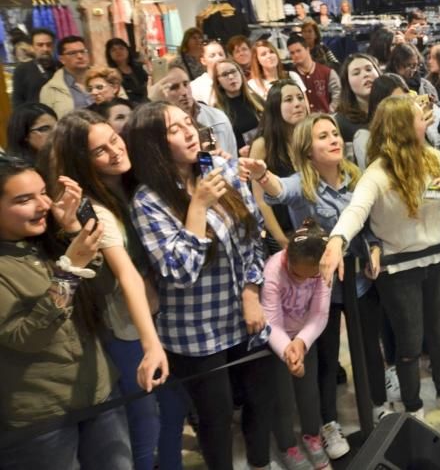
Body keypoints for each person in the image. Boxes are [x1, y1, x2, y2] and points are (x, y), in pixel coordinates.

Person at [126, 102, 274, 470]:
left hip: (244, 313)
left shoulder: (219, 167)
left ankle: (262, 463)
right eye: (174, 129)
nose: (190, 131)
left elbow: (255, 233)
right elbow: (180, 272)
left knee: (261, 398)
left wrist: (252, 290)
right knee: (216, 417)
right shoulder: (148, 200)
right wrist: (198, 207)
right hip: (195, 330)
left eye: (188, 122)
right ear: (154, 144)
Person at [323, 96, 440, 423]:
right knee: (409, 343)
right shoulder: (378, 172)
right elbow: (356, 210)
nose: (426, 118)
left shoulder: (433, 157)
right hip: (398, 269)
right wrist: (336, 240)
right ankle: (412, 406)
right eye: (418, 116)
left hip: (436, 260)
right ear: (401, 125)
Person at [40, 111, 174, 470]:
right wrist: (150, 344)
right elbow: (126, 274)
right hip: (127, 329)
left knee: (162, 417)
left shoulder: (126, 186)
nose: (115, 151)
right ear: (84, 162)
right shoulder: (96, 209)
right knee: (144, 422)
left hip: (149, 319)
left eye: (114, 139)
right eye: (100, 150)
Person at [250, 115, 390, 457]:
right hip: (321, 289)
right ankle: (328, 424)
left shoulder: (356, 179)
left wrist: (374, 249)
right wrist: (263, 175)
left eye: (335, 133)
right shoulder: (303, 185)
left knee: (369, 347)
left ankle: (379, 406)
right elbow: (279, 191)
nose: (334, 139)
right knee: (328, 360)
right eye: (323, 136)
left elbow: (367, 226)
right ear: (307, 150)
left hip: (359, 283)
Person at [0, 157, 132, 470]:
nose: (43, 204)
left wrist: (72, 229)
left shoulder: (47, 240)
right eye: (24, 199)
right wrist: (68, 272)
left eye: (44, 193)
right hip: (41, 412)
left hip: (99, 391)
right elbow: (26, 338)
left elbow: (103, 286)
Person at [259, 220, 336, 469]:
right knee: (281, 396)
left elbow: (319, 314)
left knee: (308, 391)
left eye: (310, 276)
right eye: (296, 274)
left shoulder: (323, 269)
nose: (302, 281)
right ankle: (286, 446)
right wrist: (286, 350)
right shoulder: (273, 270)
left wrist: (302, 342)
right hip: (275, 340)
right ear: (288, 260)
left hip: (305, 336)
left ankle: (312, 437)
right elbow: (270, 321)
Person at [250, 81, 309, 252]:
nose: (297, 103)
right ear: (276, 107)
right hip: (283, 232)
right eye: (288, 99)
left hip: (313, 227)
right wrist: (282, 240)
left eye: (300, 98)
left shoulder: (309, 138)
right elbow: (260, 201)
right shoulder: (263, 145)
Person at [148, 62, 238, 159]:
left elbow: (233, 161)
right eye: (174, 87)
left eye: (186, 84)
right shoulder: (155, 129)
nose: (184, 92)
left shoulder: (217, 117)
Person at [334, 53, 381, 162]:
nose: (365, 75)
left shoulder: (393, 109)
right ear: (347, 83)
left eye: (369, 69)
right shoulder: (340, 122)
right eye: (356, 73)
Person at [212, 58, 264, 153]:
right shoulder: (217, 111)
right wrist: (238, 154)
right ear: (218, 82)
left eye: (233, 71)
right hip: (241, 162)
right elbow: (220, 150)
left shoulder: (256, 99)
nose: (231, 77)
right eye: (225, 74)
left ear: (240, 73)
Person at [40, 35, 93, 118]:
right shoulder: (50, 89)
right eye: (72, 53)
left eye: (83, 51)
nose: (80, 56)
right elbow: (47, 121)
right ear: (62, 59)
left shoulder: (104, 77)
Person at [287, 34, 341, 113]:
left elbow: (338, 94)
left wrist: (330, 112)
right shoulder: (290, 76)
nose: (296, 55)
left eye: (298, 51)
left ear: (307, 49)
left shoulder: (327, 72)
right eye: (292, 53)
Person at [12, 28, 57, 107]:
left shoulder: (60, 67)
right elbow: (17, 101)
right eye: (40, 45)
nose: (45, 49)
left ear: (53, 46)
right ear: (32, 47)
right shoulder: (22, 70)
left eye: (48, 45)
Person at [105, 38, 149, 103]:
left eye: (121, 48)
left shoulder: (139, 67)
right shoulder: (110, 74)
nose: (118, 51)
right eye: (113, 50)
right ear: (109, 55)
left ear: (127, 50)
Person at [189, 39, 227, 106]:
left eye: (221, 54)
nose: (218, 58)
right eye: (212, 56)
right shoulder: (196, 86)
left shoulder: (233, 79)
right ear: (203, 60)